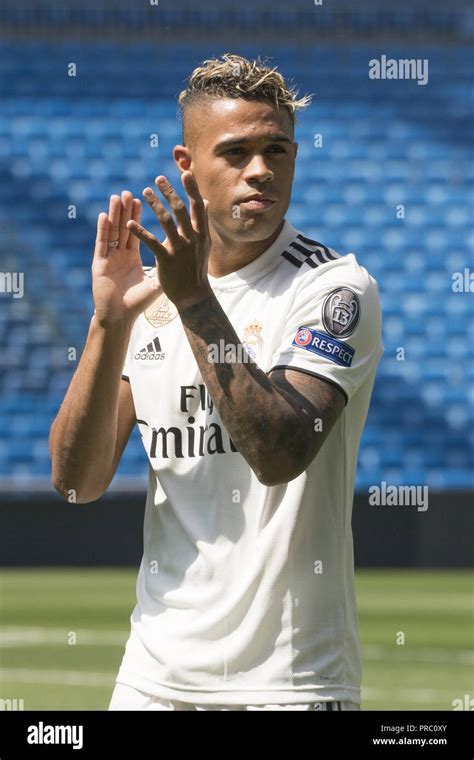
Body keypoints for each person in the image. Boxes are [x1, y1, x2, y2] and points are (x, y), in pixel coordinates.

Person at [49, 53, 383, 711]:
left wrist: (196, 300)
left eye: (276, 150)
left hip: (290, 682)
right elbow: (76, 481)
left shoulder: (334, 288)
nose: (260, 170)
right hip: (152, 677)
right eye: (235, 153)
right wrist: (108, 322)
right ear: (186, 164)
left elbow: (280, 452)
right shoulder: (151, 301)